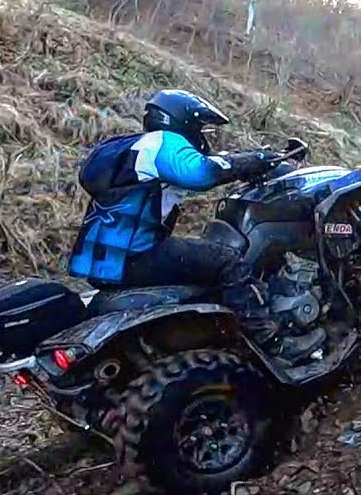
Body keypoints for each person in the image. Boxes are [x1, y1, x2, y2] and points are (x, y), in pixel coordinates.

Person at [67, 89, 277, 333]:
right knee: (227, 260)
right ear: (180, 121)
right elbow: (203, 172)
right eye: (200, 127)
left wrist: (243, 165)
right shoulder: (162, 143)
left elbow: (203, 164)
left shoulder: (129, 148)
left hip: (104, 260)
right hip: (136, 256)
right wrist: (259, 159)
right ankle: (264, 335)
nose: (201, 136)